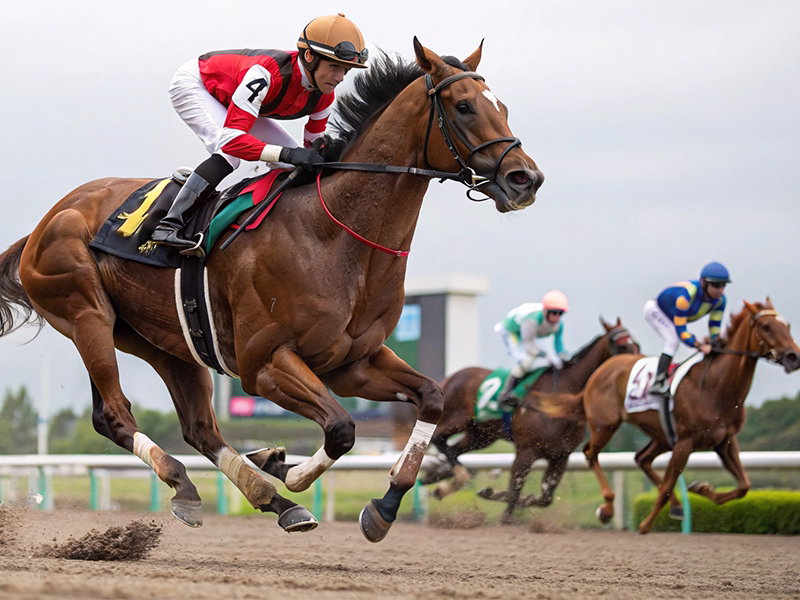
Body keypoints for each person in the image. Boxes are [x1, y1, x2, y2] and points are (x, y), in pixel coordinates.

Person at [151, 13, 369, 252]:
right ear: (309, 57)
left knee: (294, 165)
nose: (339, 78)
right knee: (229, 154)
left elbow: (313, 147)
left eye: (345, 70)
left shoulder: (324, 96)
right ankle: (169, 224)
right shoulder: (266, 73)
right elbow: (233, 141)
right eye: (334, 67)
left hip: (239, 101)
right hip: (198, 84)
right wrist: (286, 153)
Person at [643, 261, 730, 396]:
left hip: (671, 316)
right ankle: (659, 381)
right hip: (655, 310)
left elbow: (715, 328)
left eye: (723, 285)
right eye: (716, 285)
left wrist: (715, 343)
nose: (720, 290)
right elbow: (681, 332)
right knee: (672, 341)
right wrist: (699, 345)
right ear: (704, 283)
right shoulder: (686, 296)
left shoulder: (720, 301)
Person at [494, 290, 570, 408]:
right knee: (525, 360)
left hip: (534, 334)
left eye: (560, 314)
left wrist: (563, 357)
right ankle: (506, 393)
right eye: (554, 313)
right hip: (512, 331)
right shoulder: (532, 320)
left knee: (551, 361)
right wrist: (546, 356)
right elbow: (529, 345)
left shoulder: (559, 325)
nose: (557, 317)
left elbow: (558, 345)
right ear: (545, 311)